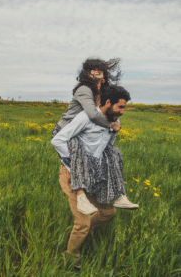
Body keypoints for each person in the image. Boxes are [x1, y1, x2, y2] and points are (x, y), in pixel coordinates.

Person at [51, 85, 138, 270]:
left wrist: (114, 132)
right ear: (107, 103)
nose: (123, 112)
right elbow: (57, 140)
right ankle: (70, 259)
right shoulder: (85, 119)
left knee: (108, 212)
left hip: (94, 174)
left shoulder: (111, 121)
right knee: (82, 222)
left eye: (124, 108)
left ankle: (79, 236)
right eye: (120, 107)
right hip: (72, 174)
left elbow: (105, 147)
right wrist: (76, 163)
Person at [51, 58, 136, 214]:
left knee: (111, 153)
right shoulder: (84, 89)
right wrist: (110, 125)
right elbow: (91, 113)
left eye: (100, 69)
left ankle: (116, 195)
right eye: (93, 69)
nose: (97, 71)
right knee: (77, 153)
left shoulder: (100, 91)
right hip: (66, 129)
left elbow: (104, 107)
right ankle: (81, 196)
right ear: (86, 72)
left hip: (85, 129)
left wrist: (111, 126)